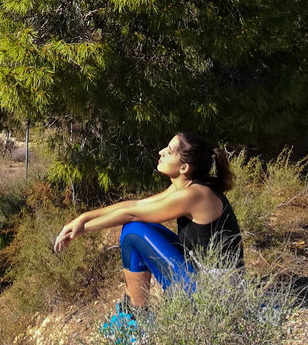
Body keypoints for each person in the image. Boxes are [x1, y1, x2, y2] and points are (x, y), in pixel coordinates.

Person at [53, 130, 244, 319]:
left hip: (215, 293)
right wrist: (83, 218)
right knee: (135, 228)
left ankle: (136, 319)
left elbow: (131, 213)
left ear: (184, 167)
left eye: (169, 151)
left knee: (133, 231)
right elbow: (135, 205)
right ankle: (134, 312)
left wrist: (83, 229)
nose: (161, 152)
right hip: (202, 274)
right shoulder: (185, 186)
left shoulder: (193, 195)